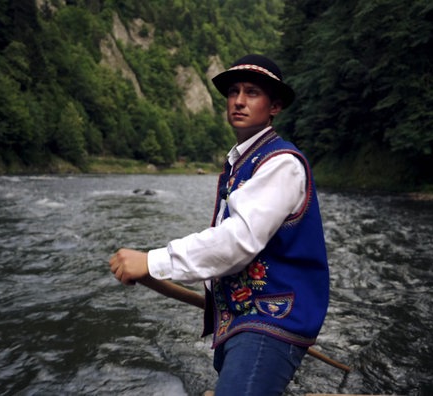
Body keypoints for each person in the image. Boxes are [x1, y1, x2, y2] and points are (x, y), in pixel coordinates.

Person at [109, 54, 329, 396]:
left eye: (252, 92)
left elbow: (237, 242)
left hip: (271, 323)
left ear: (275, 106)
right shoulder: (240, 162)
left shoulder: (281, 163)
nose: (239, 101)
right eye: (233, 92)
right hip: (241, 321)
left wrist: (152, 262)